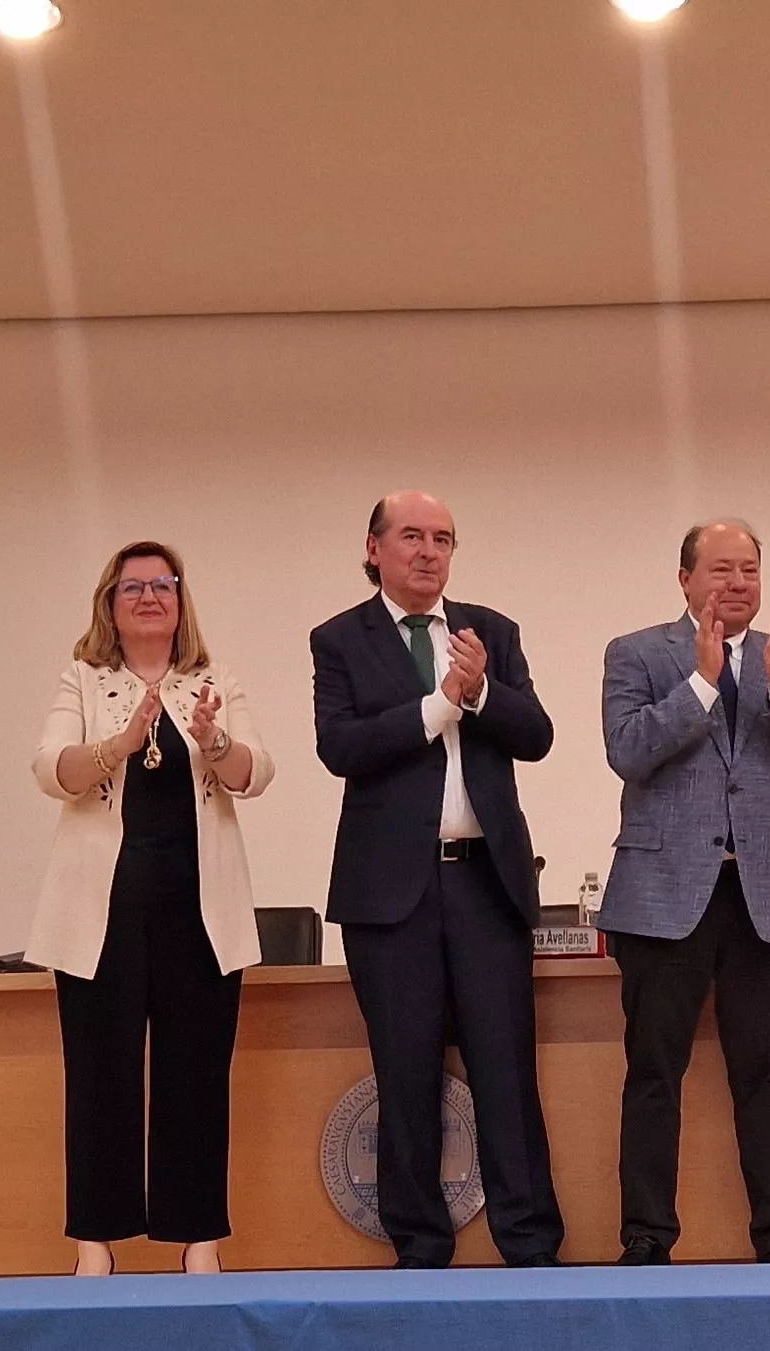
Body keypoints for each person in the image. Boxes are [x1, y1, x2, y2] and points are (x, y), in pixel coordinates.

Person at [310, 490, 564, 1269]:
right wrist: (436, 705)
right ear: (374, 547)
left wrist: (482, 690)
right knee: (406, 1070)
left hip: (484, 882)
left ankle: (529, 1242)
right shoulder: (338, 639)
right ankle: (419, 1247)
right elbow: (340, 747)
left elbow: (538, 736)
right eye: (412, 536)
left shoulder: (490, 631)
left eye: (443, 538)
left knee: (505, 1069)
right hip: (390, 892)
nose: (428, 551)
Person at [597, 520, 770, 1266]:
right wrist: (703, 682)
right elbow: (629, 751)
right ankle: (646, 1234)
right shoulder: (638, 652)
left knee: (766, 1075)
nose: (737, 583)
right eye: (720, 569)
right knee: (653, 1073)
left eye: (749, 570)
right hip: (662, 895)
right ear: (684, 579)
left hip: (763, 897)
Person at [27, 540, 274, 1277]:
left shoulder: (212, 680)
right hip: (100, 914)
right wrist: (119, 743)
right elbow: (51, 769)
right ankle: (94, 1242)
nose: (148, 597)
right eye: (132, 586)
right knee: (99, 1075)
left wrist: (213, 737)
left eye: (162, 585)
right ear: (110, 602)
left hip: (197, 912)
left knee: (195, 1075)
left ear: (178, 601)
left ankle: (198, 1238)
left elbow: (256, 772)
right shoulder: (84, 678)